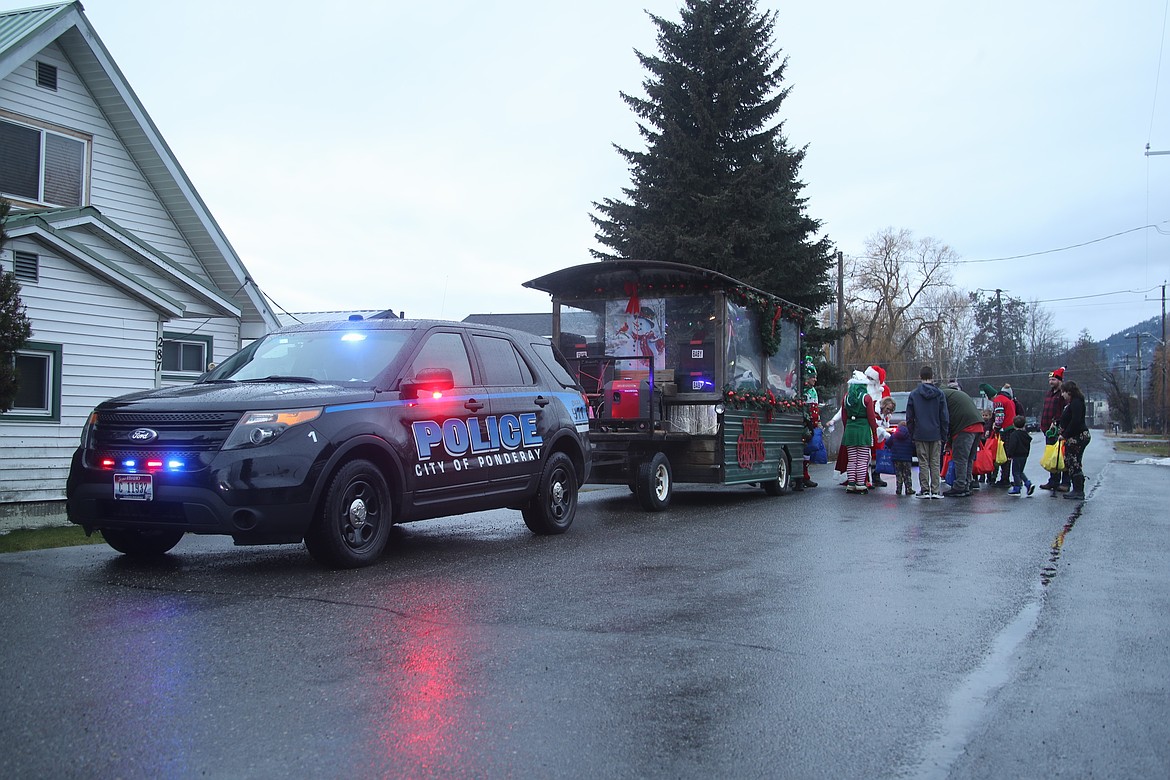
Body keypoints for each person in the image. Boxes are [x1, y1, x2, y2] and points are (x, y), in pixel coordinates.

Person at [906, 365, 949, 498]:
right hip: (936, 433)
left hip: (920, 433)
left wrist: (912, 433)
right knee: (935, 462)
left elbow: (909, 417)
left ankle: (924, 490)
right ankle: (935, 490)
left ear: (920, 377)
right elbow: (944, 416)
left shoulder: (914, 394)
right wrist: (944, 434)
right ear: (932, 376)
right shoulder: (940, 394)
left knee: (923, 462)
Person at [941, 379, 984, 498]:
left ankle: (959, 486)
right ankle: (966, 484)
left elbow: (946, 420)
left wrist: (946, 440)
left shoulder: (941, 396)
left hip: (965, 428)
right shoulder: (956, 394)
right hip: (978, 425)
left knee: (960, 458)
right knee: (969, 458)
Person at [838, 368, 879, 494]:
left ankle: (851, 484)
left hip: (850, 429)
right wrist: (874, 432)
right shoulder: (867, 398)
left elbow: (844, 417)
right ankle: (860, 484)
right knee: (862, 459)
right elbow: (871, 418)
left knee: (852, 459)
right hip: (863, 430)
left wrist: (847, 428)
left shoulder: (846, 398)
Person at [1058, 380, 1091, 500]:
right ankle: (1077, 488)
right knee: (1073, 460)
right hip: (1077, 435)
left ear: (1069, 392)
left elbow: (1075, 421)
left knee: (1073, 461)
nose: (1062, 395)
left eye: (1063, 392)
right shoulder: (1074, 403)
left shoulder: (1076, 403)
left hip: (1078, 436)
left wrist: (1065, 434)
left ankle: (1078, 490)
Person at [979, 383, 1017, 486]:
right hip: (1011, 428)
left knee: (1003, 454)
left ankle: (1004, 479)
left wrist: (996, 428)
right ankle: (1006, 477)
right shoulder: (1007, 399)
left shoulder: (998, 401)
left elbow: (1000, 417)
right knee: (1007, 455)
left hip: (1005, 430)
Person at [1038, 367, 1068, 491]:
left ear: (1060, 380)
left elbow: (1065, 411)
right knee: (1052, 456)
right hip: (1048, 430)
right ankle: (1053, 481)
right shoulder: (1049, 393)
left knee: (1063, 456)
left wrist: (1057, 422)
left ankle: (1065, 482)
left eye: (1053, 379)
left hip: (1059, 429)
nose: (1051, 382)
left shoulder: (1063, 394)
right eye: (1050, 379)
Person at [797, 357, 820, 490]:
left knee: (808, 451)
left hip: (811, 425)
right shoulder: (804, 391)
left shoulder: (812, 391)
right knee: (804, 450)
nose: (815, 380)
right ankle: (801, 477)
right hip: (805, 426)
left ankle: (804, 475)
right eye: (813, 377)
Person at [1004, 414, 1035, 495]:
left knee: (1015, 472)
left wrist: (1010, 455)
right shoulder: (1025, 435)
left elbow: (1012, 445)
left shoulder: (1014, 434)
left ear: (1013, 424)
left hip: (1016, 455)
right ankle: (1028, 484)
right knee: (1020, 471)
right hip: (1024, 455)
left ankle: (1017, 487)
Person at [888, 416, 916, 495]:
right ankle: (909, 489)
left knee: (898, 474)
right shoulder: (910, 435)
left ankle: (899, 489)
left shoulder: (894, 435)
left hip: (896, 458)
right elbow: (913, 446)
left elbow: (888, 443)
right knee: (907, 474)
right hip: (907, 458)